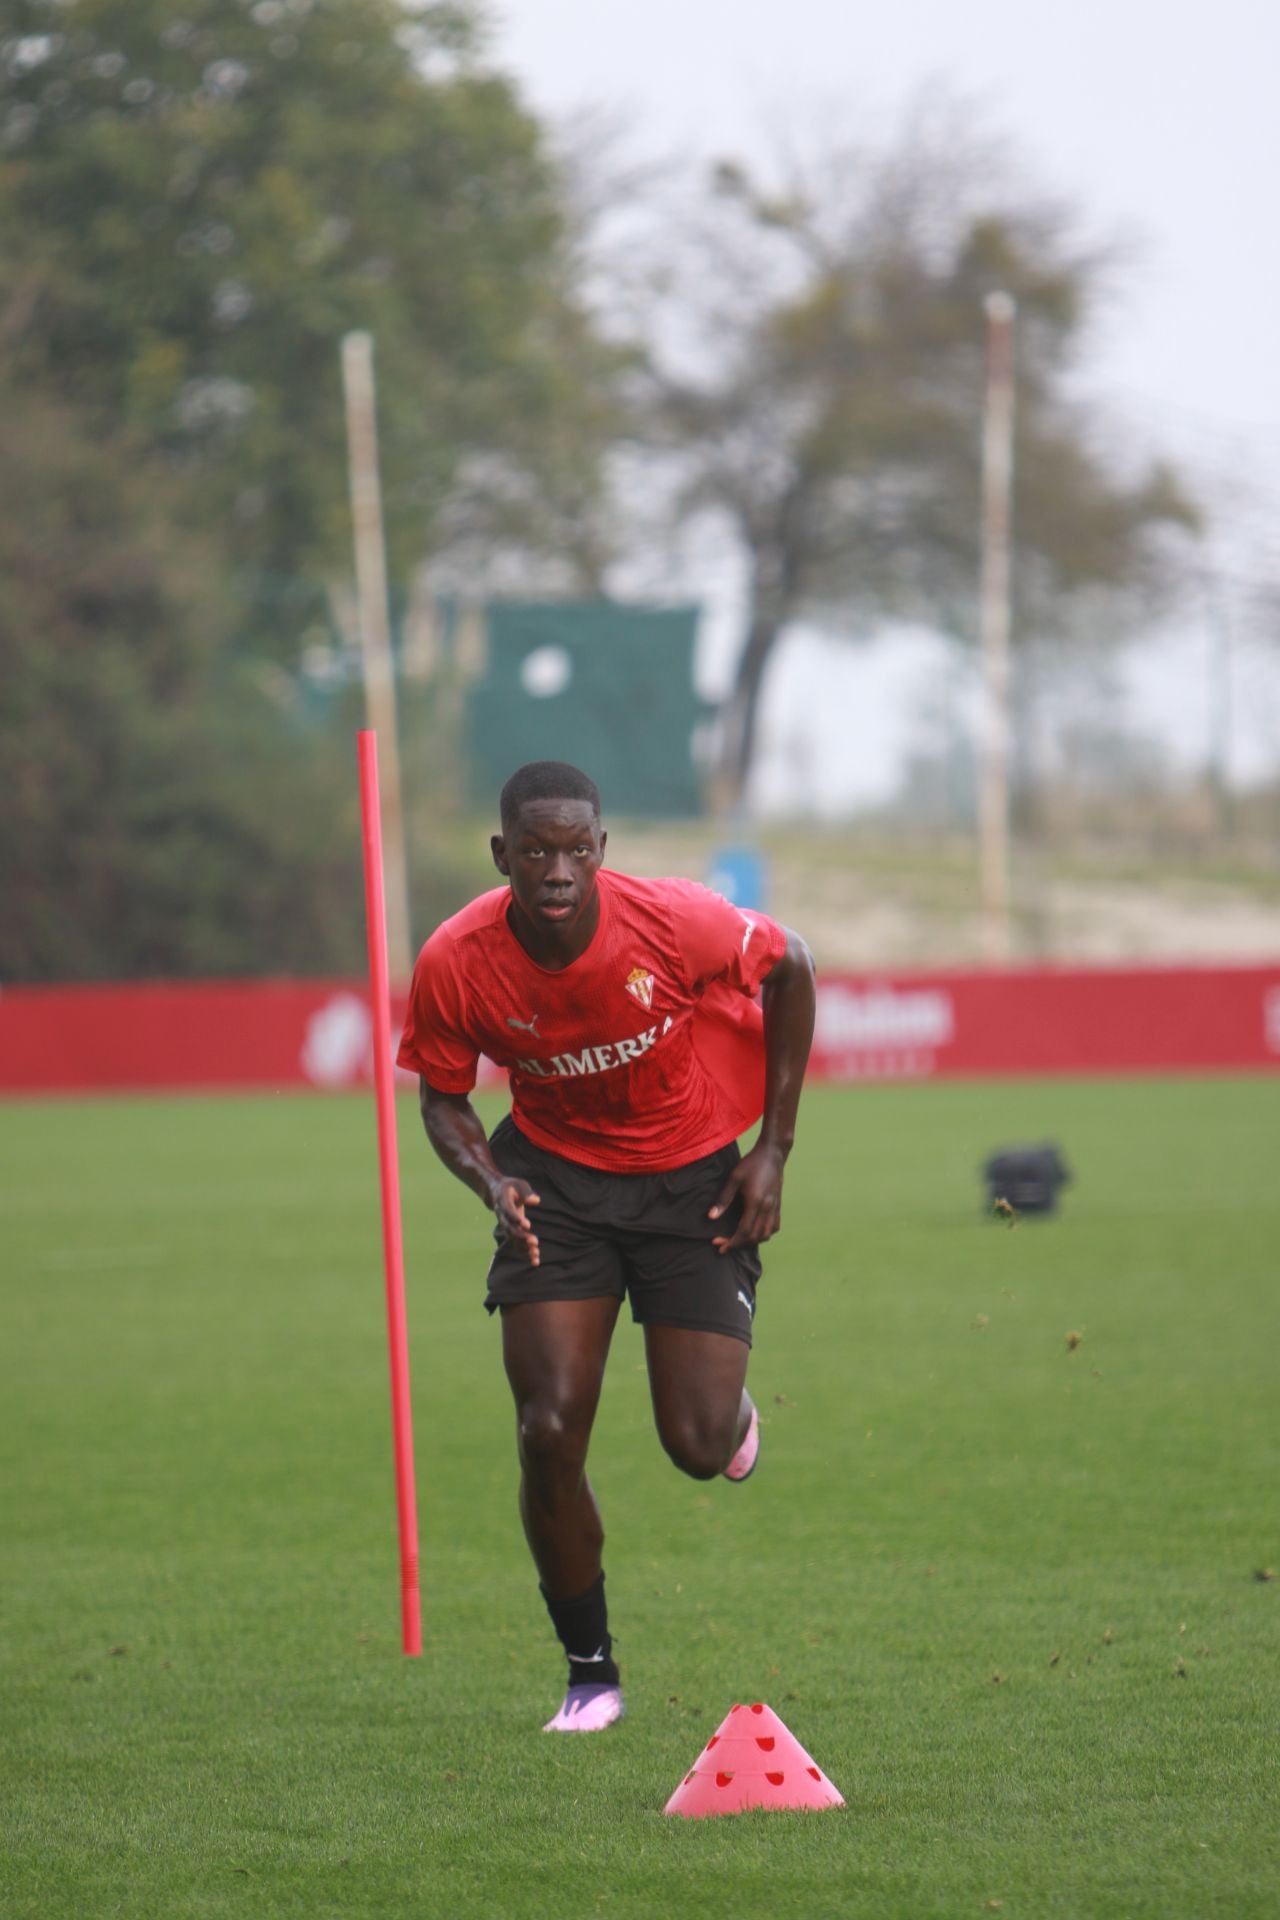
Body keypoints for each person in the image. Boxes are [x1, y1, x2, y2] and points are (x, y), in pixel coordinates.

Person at [397, 761, 815, 1732]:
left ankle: (726, 1407)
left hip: (691, 1184)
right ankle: (590, 1676)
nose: (555, 869)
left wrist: (775, 1151)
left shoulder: (673, 921)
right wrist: (490, 1183)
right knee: (546, 1430)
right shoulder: (454, 959)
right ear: (502, 855)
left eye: (574, 849)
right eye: (533, 850)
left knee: (697, 1446)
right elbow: (442, 1096)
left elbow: (791, 962)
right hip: (556, 1191)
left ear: (600, 851)